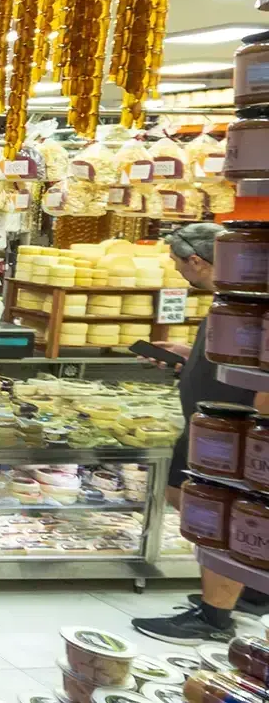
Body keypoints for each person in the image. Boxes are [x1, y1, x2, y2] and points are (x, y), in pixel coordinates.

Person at [135, 223, 268, 643]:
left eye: (178, 266)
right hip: (213, 422)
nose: (178, 275)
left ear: (197, 260)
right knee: (191, 499)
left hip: (232, 433)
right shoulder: (236, 301)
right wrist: (187, 356)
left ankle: (214, 618)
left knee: (216, 515)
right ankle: (249, 591)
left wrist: (257, 434)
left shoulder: (255, 304)